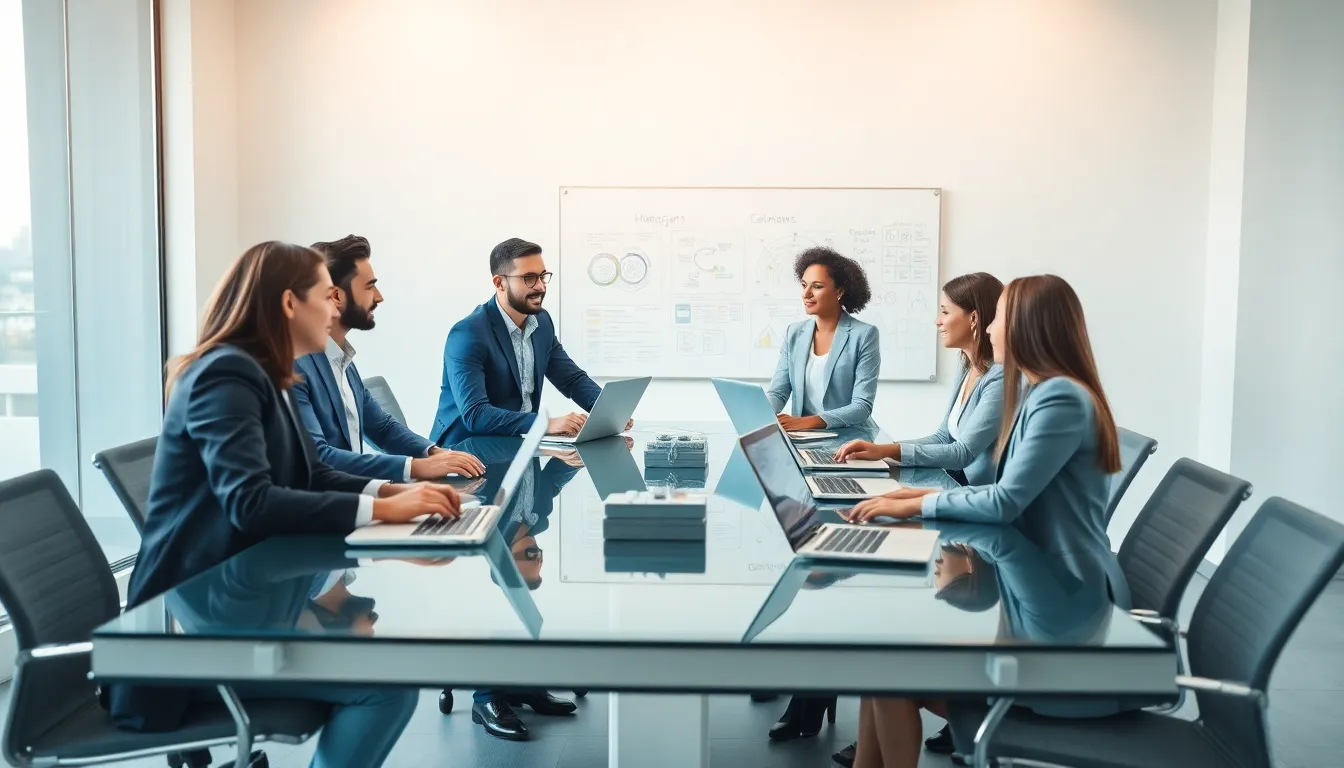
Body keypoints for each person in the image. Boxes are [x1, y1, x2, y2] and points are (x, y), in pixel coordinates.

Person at [110, 241, 463, 768]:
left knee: (384, 676)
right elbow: (250, 503)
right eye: (327, 295)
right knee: (386, 685)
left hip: (241, 600)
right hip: (189, 633)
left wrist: (397, 495)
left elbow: (314, 473)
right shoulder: (223, 376)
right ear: (288, 304)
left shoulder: (268, 374)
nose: (336, 307)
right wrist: (385, 511)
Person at [843, 274, 1126, 768]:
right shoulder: (1043, 393)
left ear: (1024, 327)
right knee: (881, 664)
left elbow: (1003, 502)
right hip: (1038, 587)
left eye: (997, 318)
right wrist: (917, 493)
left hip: (1060, 617)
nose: (990, 327)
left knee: (887, 673)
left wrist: (915, 505)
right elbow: (1001, 492)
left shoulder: (1059, 399)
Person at [292, 234, 485, 482]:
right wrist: (415, 468)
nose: (379, 297)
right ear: (337, 296)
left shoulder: (342, 361)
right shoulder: (296, 364)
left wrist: (434, 453)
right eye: (369, 286)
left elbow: (382, 428)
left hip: (353, 497)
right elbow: (318, 457)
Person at [432, 238, 630, 444]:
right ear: (499, 283)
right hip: (464, 452)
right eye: (529, 278)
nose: (541, 286)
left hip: (515, 445)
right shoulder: (468, 333)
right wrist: (546, 424)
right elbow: (476, 414)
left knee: (574, 463)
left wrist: (609, 413)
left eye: (543, 276)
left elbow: (572, 380)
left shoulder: (541, 322)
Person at [836, 273, 1004, 490]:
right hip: (955, 483)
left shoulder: (999, 377)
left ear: (973, 318)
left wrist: (887, 451)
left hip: (978, 493)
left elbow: (962, 454)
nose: (938, 321)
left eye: (945, 311)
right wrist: (881, 450)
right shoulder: (966, 364)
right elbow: (944, 437)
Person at [766, 247, 880, 430]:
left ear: (839, 291)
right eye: (804, 285)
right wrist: (761, 417)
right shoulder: (794, 333)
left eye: (817, 286)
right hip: (803, 437)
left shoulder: (864, 335)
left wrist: (806, 422)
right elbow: (778, 392)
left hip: (849, 438)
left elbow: (861, 407)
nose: (806, 294)